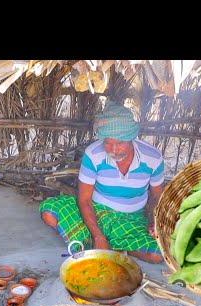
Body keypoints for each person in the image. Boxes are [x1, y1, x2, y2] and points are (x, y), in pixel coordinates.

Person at [40, 101, 164, 263]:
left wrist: (155, 221)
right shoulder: (93, 155)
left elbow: (157, 197)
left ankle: (100, 245)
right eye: (108, 142)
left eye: (120, 143)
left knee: (156, 255)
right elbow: (84, 200)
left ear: (131, 138)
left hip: (132, 218)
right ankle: (105, 241)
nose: (113, 149)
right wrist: (98, 235)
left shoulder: (153, 158)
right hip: (96, 211)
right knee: (49, 212)